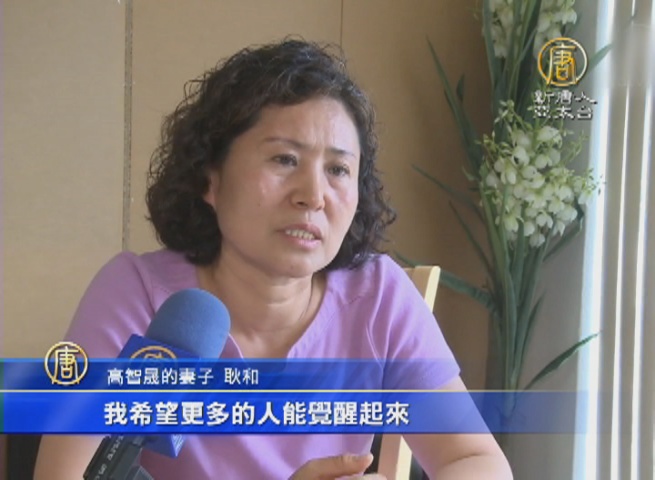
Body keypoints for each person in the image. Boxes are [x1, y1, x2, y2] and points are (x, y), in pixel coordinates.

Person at [34, 39, 512, 479]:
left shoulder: (378, 296)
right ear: (210, 178)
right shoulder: (138, 295)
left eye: (338, 169)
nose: (313, 195)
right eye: (285, 159)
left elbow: (475, 460)